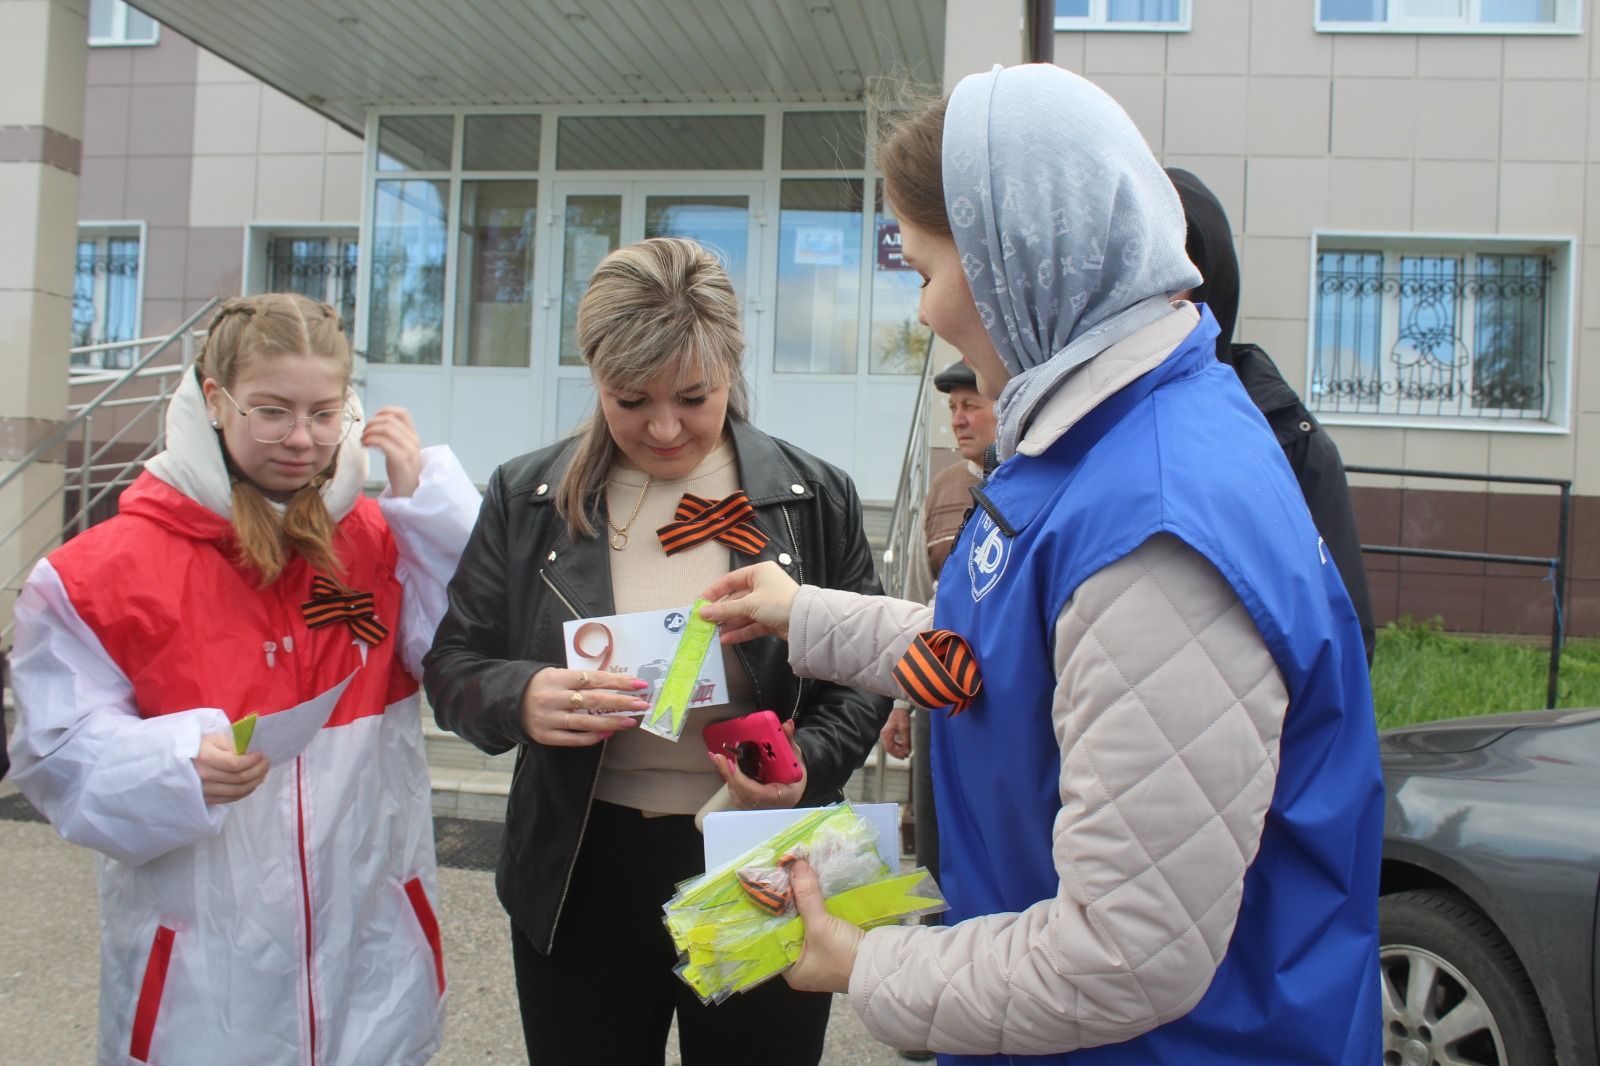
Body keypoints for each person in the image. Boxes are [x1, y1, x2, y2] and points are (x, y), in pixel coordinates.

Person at [700, 65, 1382, 1065]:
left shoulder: (1155, 529)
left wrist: (864, 961)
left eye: (925, 268)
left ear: (1012, 260)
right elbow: (996, 652)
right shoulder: (1099, 435)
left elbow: (1124, 954)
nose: (924, 311)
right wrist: (800, 612)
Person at [423, 236, 891, 1066]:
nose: (665, 427)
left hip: (759, 856)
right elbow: (454, 665)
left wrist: (805, 763)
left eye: (694, 396)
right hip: (582, 863)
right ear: (593, 377)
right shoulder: (527, 496)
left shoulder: (811, 496)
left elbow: (862, 675)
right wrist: (522, 697)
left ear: (732, 369)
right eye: (630, 400)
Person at [6, 292, 480, 1065]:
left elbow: (469, 655)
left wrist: (435, 509)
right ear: (214, 400)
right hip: (199, 987)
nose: (302, 440)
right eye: (272, 411)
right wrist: (172, 764)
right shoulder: (98, 574)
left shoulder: (377, 539)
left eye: (325, 414)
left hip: (372, 962)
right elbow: (56, 759)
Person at [1166, 167, 1376, 663]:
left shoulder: (1286, 441)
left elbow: (1342, 642)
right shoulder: (1074, 425)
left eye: (1168, 276)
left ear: (1207, 284)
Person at [881, 361, 996, 891]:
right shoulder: (943, 490)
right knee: (933, 841)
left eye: (971, 405)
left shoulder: (1040, 482)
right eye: (952, 409)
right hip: (936, 695)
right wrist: (901, 703)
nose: (958, 420)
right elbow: (913, 597)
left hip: (1001, 699)